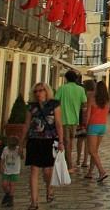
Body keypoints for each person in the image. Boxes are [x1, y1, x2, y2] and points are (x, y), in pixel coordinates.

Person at [25, 82, 63, 210]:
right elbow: (27, 124)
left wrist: (61, 141)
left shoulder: (54, 104)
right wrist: (21, 143)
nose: (38, 94)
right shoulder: (31, 106)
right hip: (34, 139)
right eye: (35, 91)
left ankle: (48, 187)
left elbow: (58, 123)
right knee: (34, 170)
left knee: (47, 171)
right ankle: (34, 202)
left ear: (46, 91)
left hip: (48, 140)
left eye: (40, 91)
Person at [53, 70, 86, 173]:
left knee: (66, 142)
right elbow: (84, 103)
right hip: (75, 120)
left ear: (66, 79)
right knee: (70, 142)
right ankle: (69, 163)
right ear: (76, 79)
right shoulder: (80, 89)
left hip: (63, 119)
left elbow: (55, 101)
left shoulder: (62, 89)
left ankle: (69, 166)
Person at [84, 80, 110, 183]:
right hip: (102, 126)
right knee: (95, 151)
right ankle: (90, 172)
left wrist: (86, 127)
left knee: (91, 151)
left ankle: (102, 171)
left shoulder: (91, 100)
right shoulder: (107, 101)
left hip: (93, 126)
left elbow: (88, 116)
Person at [0, 134, 23, 206]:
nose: (12, 148)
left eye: (14, 147)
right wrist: (1, 166)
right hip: (7, 170)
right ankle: (7, 194)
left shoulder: (18, 149)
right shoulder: (5, 149)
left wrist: (21, 151)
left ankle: (11, 198)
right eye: (11, 147)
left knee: (12, 184)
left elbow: (22, 157)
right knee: (4, 184)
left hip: (15, 170)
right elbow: (3, 158)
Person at [76, 78, 95, 169]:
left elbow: (81, 104)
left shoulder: (83, 93)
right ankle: (85, 160)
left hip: (81, 117)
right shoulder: (95, 95)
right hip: (90, 118)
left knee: (80, 139)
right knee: (87, 140)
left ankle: (78, 159)